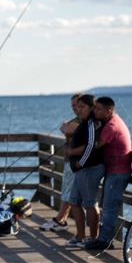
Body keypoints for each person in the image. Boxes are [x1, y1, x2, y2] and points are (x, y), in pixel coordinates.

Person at [85, 97, 132, 251]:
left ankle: (105, 240)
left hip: (118, 172)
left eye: (98, 109)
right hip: (114, 171)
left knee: (109, 206)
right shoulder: (114, 121)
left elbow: (95, 146)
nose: (95, 111)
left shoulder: (112, 126)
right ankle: (104, 238)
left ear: (108, 111)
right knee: (107, 204)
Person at [64, 94, 105, 247]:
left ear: (92, 108)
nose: (78, 110)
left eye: (82, 107)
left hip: (89, 168)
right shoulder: (83, 123)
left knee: (90, 203)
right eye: (77, 107)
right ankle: (80, 236)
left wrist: (80, 161)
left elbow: (91, 145)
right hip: (80, 170)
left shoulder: (92, 124)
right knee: (74, 201)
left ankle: (94, 238)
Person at [40, 93, 84, 231]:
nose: (75, 108)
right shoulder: (77, 119)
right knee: (67, 190)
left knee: (70, 192)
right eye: (72, 106)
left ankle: (61, 220)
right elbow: (63, 128)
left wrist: (67, 128)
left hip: (77, 161)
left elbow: (68, 129)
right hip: (70, 160)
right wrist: (67, 127)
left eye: (77, 105)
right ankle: (61, 219)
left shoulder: (84, 120)